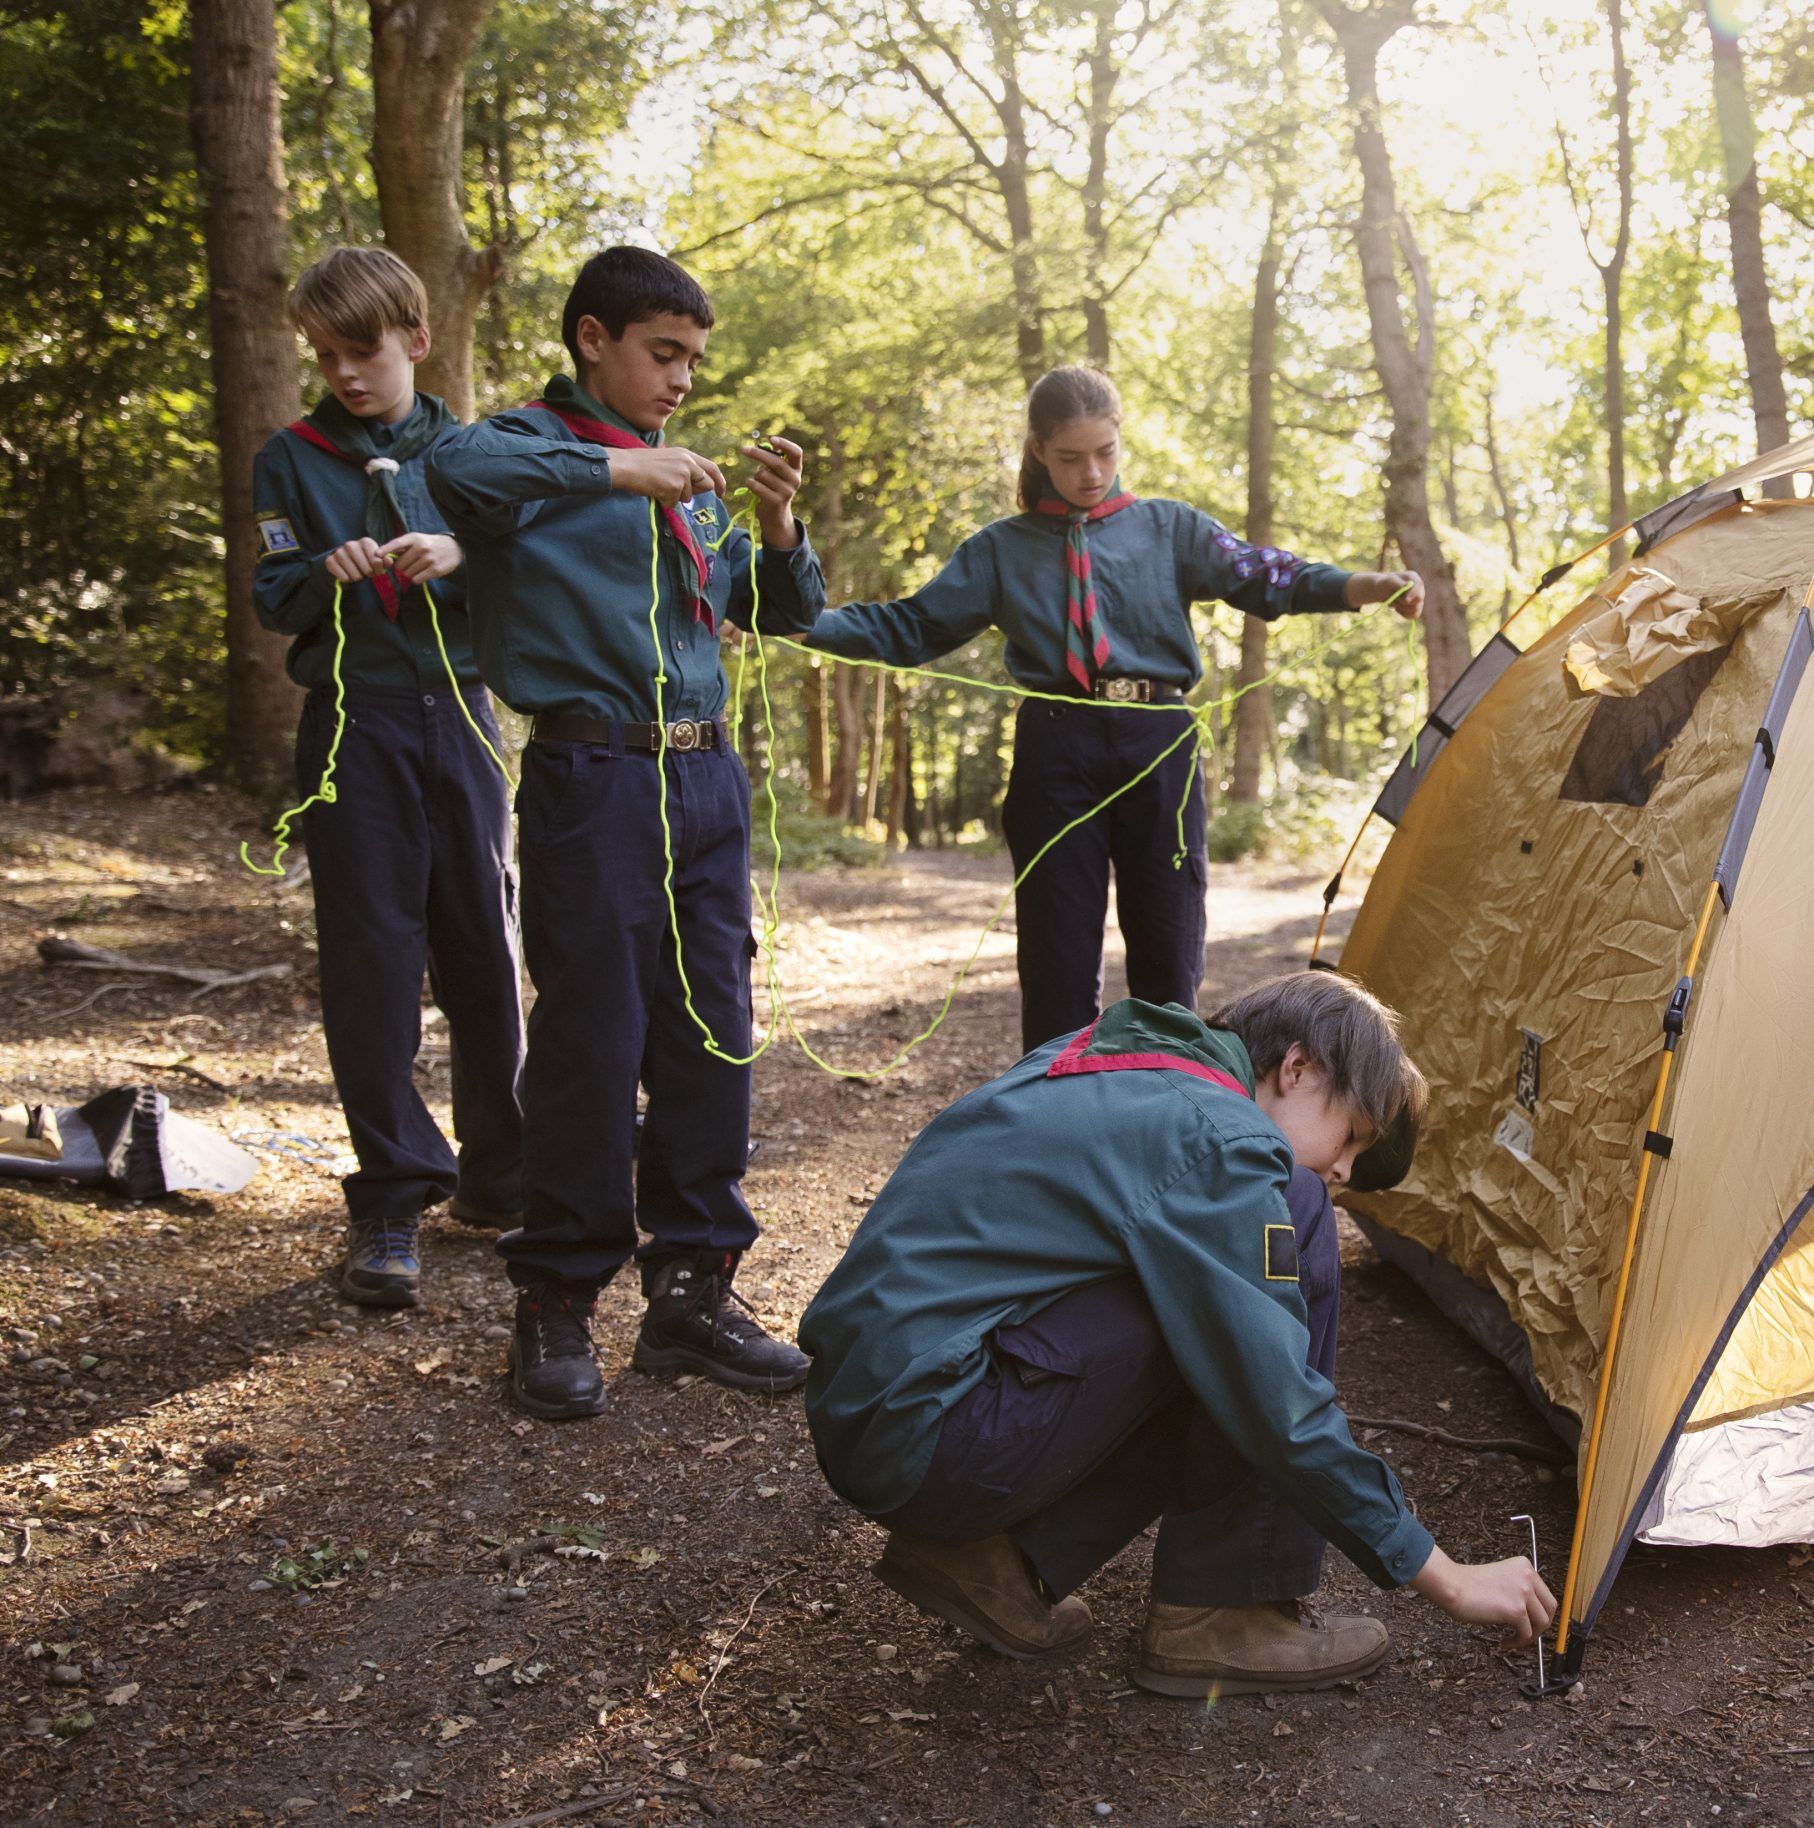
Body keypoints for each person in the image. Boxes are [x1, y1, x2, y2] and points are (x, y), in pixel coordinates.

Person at [798, 972, 1555, 1696]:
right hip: (942, 1430)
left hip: (884, 1410)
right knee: (1288, 1220)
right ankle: (1226, 1609)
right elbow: (1276, 1401)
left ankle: (996, 1563)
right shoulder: (1215, 1136)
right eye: (1350, 1136)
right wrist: (1445, 1576)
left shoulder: (1117, 1061)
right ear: (1297, 1067)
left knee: (1229, 1278)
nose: (1344, 1168)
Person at [424, 247, 826, 1420]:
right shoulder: (523, 453)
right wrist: (617, 472)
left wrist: (775, 517)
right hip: (590, 774)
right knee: (594, 1038)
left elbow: (776, 607)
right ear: (592, 338)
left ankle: (694, 1292)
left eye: (694, 360)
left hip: (703, 780)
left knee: (714, 1027)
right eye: (664, 353)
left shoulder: (691, 481)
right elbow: (453, 468)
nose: (683, 379)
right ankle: (556, 1297)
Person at [798, 365, 1424, 1052]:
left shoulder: (1170, 528)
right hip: (1056, 750)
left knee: (1168, 950)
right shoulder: (999, 551)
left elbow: (1263, 574)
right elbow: (907, 627)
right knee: (1057, 958)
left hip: (1160, 745)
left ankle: (1162, 1110)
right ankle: (1059, 1116)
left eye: (1105, 452)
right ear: (1038, 450)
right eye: (1070, 457)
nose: (1091, 472)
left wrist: (1364, 586)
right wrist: (800, 623)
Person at [251, 248, 526, 1310]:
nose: (346, 374)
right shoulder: (294, 456)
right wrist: (322, 571)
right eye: (325, 355)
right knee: (370, 956)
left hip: (460, 712)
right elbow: (271, 591)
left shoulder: (475, 452)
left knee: (484, 944)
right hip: (351, 723)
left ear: (415, 337)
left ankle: (500, 1174)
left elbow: (529, 572)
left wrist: (461, 557)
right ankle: (391, 1198)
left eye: (362, 350)